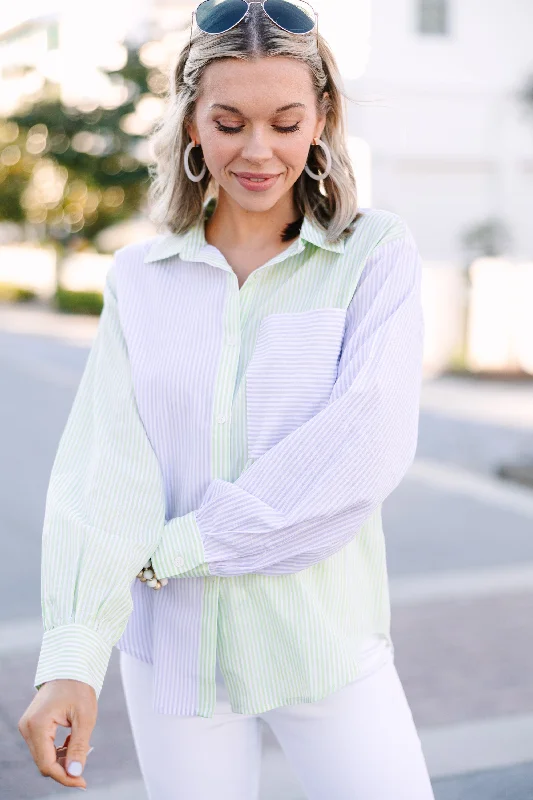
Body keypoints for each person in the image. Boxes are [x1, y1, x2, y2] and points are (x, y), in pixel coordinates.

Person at [18, 1, 435, 798]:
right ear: (190, 124)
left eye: (284, 122)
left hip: (325, 649)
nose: (256, 150)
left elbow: (361, 448)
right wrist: (71, 660)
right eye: (228, 121)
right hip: (173, 659)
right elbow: (105, 471)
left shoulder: (373, 253)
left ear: (321, 120)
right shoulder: (139, 279)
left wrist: (173, 548)